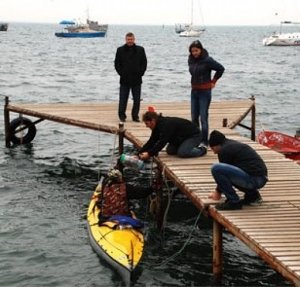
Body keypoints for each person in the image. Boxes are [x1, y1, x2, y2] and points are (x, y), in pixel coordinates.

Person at [208, 130, 268, 210]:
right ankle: (253, 197)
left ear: (217, 145)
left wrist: (217, 192)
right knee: (231, 171)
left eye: (212, 148)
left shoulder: (224, 150)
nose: (214, 152)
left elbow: (222, 173)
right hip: (261, 178)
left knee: (216, 168)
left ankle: (233, 202)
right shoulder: (231, 144)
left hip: (254, 180)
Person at [188, 40, 225, 146]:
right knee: (194, 116)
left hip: (204, 92)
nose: (194, 53)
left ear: (201, 49)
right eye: (192, 51)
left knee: (203, 117)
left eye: (196, 50)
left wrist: (214, 81)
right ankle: (196, 138)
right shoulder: (191, 60)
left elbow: (221, 69)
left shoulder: (207, 60)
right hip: (194, 91)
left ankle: (205, 141)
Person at [138, 110, 207, 160]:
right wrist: (139, 153)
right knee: (170, 151)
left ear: (152, 121)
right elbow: (152, 141)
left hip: (194, 135)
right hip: (181, 138)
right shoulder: (156, 126)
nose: (146, 126)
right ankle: (186, 146)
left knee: (182, 153)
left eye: (147, 123)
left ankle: (202, 149)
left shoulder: (165, 125)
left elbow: (162, 142)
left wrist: (149, 154)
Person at [114, 32, 147, 122]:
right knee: (123, 99)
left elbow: (144, 63)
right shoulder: (120, 50)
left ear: (134, 39)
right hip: (124, 78)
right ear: (125, 40)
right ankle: (122, 116)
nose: (130, 41)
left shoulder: (140, 50)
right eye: (128, 39)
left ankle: (135, 116)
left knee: (137, 100)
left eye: (131, 39)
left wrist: (141, 73)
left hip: (137, 79)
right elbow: (117, 64)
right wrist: (121, 73)